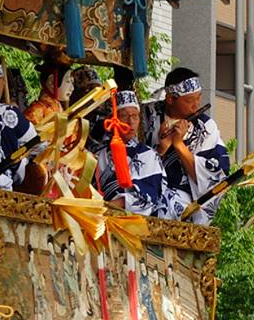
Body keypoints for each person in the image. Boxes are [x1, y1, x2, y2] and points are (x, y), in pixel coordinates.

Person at [143, 67, 230, 221]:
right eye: (189, 100)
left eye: (198, 98)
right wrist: (161, 149)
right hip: (145, 190)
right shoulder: (146, 115)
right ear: (170, 99)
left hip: (184, 200)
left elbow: (213, 178)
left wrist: (178, 144)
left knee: (167, 207)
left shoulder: (206, 127)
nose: (196, 105)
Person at [98, 88, 190, 219]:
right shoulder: (98, 154)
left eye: (135, 116)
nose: (131, 122)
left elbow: (148, 196)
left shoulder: (147, 154)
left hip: (128, 222)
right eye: (124, 116)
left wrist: (103, 209)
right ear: (113, 119)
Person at [0, 63, 47, 192]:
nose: (4, 85)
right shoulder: (8, 113)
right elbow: (38, 145)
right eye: (3, 81)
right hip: (0, 188)